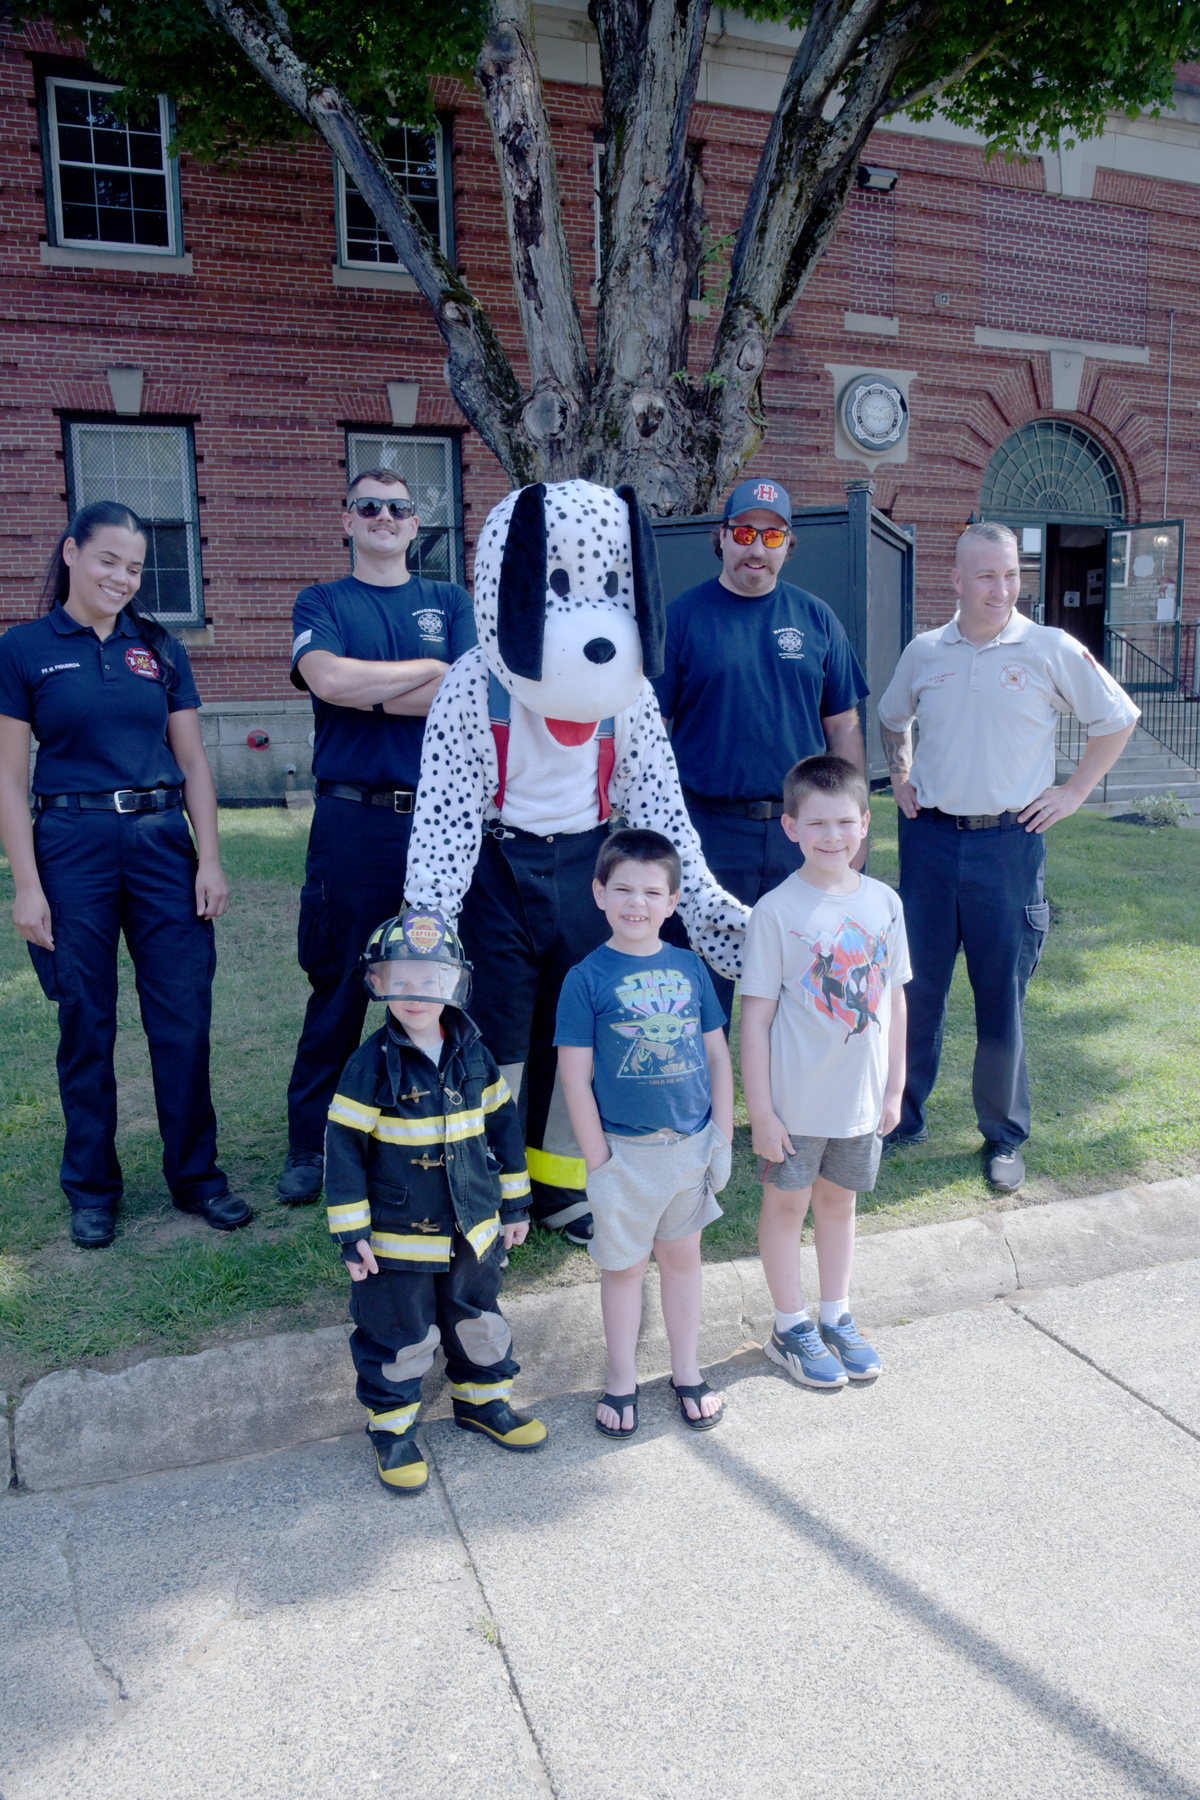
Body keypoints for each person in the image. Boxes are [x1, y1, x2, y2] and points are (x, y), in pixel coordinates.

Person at [0, 501, 250, 1248]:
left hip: (159, 843)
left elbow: (195, 761)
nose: (122, 576)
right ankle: (92, 1187)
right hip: (70, 842)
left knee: (182, 1014)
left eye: (135, 567)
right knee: (85, 1018)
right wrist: (27, 885)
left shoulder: (160, 649)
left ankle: (197, 1177)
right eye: (109, 559)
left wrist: (209, 856)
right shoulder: (24, 648)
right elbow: (11, 781)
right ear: (72, 553)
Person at [876, 520, 1138, 1193]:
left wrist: (1076, 790)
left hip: (1008, 845)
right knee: (917, 988)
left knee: (1002, 997)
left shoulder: (1049, 648)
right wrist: (899, 774)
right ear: (956, 579)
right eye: (986, 575)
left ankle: (1003, 1136)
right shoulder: (925, 651)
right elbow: (890, 715)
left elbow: (1118, 717)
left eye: (1011, 575)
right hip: (929, 841)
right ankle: (900, 1118)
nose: (1001, 588)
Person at [279, 468, 477, 1205]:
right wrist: (426, 672)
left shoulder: (448, 601)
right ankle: (310, 1144)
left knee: (445, 976)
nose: (385, 517)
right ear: (347, 520)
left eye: (399, 507)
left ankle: (445, 1126)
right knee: (337, 984)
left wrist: (386, 684)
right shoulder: (323, 601)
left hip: (440, 817)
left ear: (413, 525)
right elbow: (327, 680)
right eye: (370, 506)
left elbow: (462, 694)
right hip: (352, 818)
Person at [325, 906, 548, 1496]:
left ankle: (483, 1402)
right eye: (399, 979)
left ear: (454, 983)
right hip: (397, 1238)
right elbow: (342, 1146)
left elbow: (504, 1127)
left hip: (472, 1228)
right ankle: (393, 1428)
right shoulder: (367, 1064)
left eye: (429, 979)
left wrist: (516, 1205)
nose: (414, 993)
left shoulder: (475, 1051)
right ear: (378, 983)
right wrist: (352, 1235)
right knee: (400, 1329)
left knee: (477, 1315)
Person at [652, 477, 871, 1019]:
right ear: (721, 537)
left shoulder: (816, 618)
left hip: (801, 831)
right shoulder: (682, 619)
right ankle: (703, 1106)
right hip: (707, 834)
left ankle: (795, 1106)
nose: (756, 548)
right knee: (699, 1001)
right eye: (745, 532)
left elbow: (843, 725)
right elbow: (651, 730)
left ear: (787, 546)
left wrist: (852, 823)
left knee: (806, 992)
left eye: (772, 537)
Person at [555, 829, 735, 1438]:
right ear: (599, 892)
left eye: (652, 891)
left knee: (684, 1259)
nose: (637, 902)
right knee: (624, 1268)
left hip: (689, 1147)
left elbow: (716, 1057)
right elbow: (575, 1080)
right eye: (623, 889)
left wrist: (722, 1137)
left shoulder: (689, 967)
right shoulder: (585, 978)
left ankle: (686, 1370)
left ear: (673, 900)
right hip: (624, 1156)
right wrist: (599, 1161)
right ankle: (621, 1379)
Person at [739, 755, 909, 1388]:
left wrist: (894, 1087)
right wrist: (760, 1113)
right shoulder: (776, 911)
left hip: (860, 1103)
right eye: (817, 823)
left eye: (845, 822)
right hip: (795, 1107)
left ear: (865, 823)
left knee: (839, 1205)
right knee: (786, 1208)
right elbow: (753, 1020)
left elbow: (894, 998)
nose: (832, 836)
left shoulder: (884, 903)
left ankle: (835, 1314)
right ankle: (789, 1325)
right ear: (790, 828)